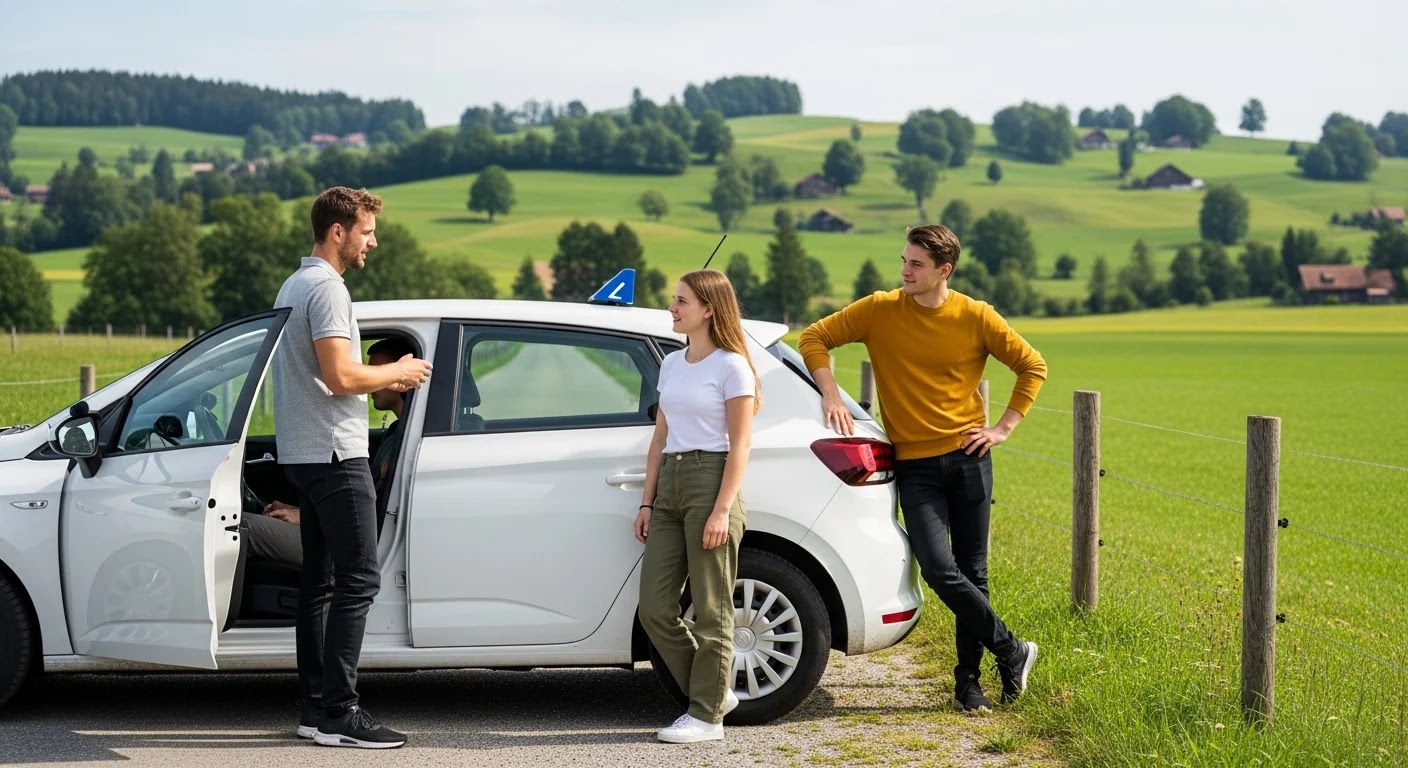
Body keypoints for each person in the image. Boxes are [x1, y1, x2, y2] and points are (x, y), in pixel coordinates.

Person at [797, 225, 1047, 715]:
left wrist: (1002, 429)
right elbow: (815, 337)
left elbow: (1032, 366)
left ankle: (968, 685)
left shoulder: (975, 316)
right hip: (915, 466)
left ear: (943, 271)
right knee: (937, 567)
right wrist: (830, 392)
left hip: (970, 458)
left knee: (973, 572)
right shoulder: (880, 309)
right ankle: (1011, 649)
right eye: (904, 261)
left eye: (916, 264)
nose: (905, 272)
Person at [272, 187, 432, 749]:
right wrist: (399, 373)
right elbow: (340, 377)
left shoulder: (293, 285)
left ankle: (315, 709)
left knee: (320, 582)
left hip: (302, 452)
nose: (373, 240)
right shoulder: (329, 290)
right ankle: (341, 712)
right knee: (359, 578)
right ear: (337, 232)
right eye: (366, 231)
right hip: (336, 453)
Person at [635, 269, 759, 744]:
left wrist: (722, 510)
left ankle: (707, 718)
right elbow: (660, 438)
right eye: (674, 299)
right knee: (655, 609)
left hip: (712, 480)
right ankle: (713, 691)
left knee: (712, 608)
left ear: (708, 309)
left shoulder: (733, 366)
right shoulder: (672, 364)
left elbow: (741, 445)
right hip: (670, 483)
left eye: (680, 300)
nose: (672, 307)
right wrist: (648, 501)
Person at [246, 337, 417, 573]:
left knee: (240, 528)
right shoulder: (395, 434)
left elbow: (370, 516)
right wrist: (300, 511)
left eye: (378, 370)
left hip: (349, 545)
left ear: (402, 376)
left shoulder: (405, 444)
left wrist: (306, 519)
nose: (370, 382)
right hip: (339, 529)